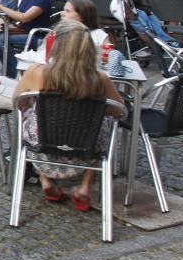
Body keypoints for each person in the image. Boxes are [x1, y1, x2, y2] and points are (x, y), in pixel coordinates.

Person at [13, 20, 124, 210]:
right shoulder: (100, 79)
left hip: (41, 146)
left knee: (33, 117)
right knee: (102, 122)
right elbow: (119, 110)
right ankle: (84, 188)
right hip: (87, 150)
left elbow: (17, 101)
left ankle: (45, 180)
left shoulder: (35, 73)